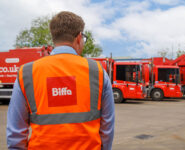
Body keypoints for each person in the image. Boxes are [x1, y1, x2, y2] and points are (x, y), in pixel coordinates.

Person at [7, 11, 114, 150]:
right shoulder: (97, 71)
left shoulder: (26, 73)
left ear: (54, 38)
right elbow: (107, 129)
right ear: (79, 38)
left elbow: (15, 133)